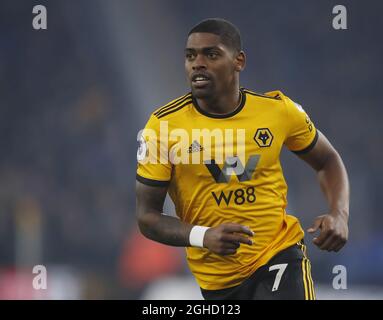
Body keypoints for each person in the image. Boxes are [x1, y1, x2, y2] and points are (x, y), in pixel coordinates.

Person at [135, 18, 349, 300]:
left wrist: (339, 214)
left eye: (211, 54)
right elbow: (147, 217)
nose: (197, 63)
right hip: (218, 281)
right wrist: (204, 236)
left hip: (278, 254)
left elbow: (328, 160)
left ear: (239, 61)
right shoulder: (162, 127)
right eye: (190, 56)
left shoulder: (278, 112)